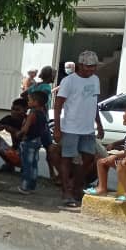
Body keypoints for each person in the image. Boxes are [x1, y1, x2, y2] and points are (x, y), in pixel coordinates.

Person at [53, 50, 103, 207]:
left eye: (94, 67)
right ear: (80, 65)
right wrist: (57, 128)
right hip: (71, 128)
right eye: (88, 67)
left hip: (88, 129)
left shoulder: (95, 80)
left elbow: (94, 103)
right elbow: (58, 105)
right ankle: (66, 191)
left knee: (88, 158)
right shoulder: (69, 81)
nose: (91, 70)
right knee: (66, 159)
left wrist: (99, 125)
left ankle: (75, 187)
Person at [85, 104, 126, 199]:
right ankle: (102, 188)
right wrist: (114, 144)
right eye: (124, 113)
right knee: (101, 162)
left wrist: (117, 156)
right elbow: (125, 141)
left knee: (121, 164)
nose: (124, 116)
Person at [0, 99, 28, 172]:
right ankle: (9, 165)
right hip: (14, 152)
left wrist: (12, 130)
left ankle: (25, 167)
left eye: (17, 110)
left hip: (26, 155)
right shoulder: (8, 119)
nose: (14, 112)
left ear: (25, 110)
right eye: (12, 109)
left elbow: (26, 138)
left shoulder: (28, 120)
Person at [18, 91, 49, 194]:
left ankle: (25, 186)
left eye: (30, 100)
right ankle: (32, 185)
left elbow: (25, 129)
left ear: (35, 102)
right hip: (38, 140)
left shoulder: (32, 113)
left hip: (29, 140)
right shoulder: (43, 112)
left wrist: (19, 133)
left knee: (27, 164)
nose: (28, 101)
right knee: (34, 164)